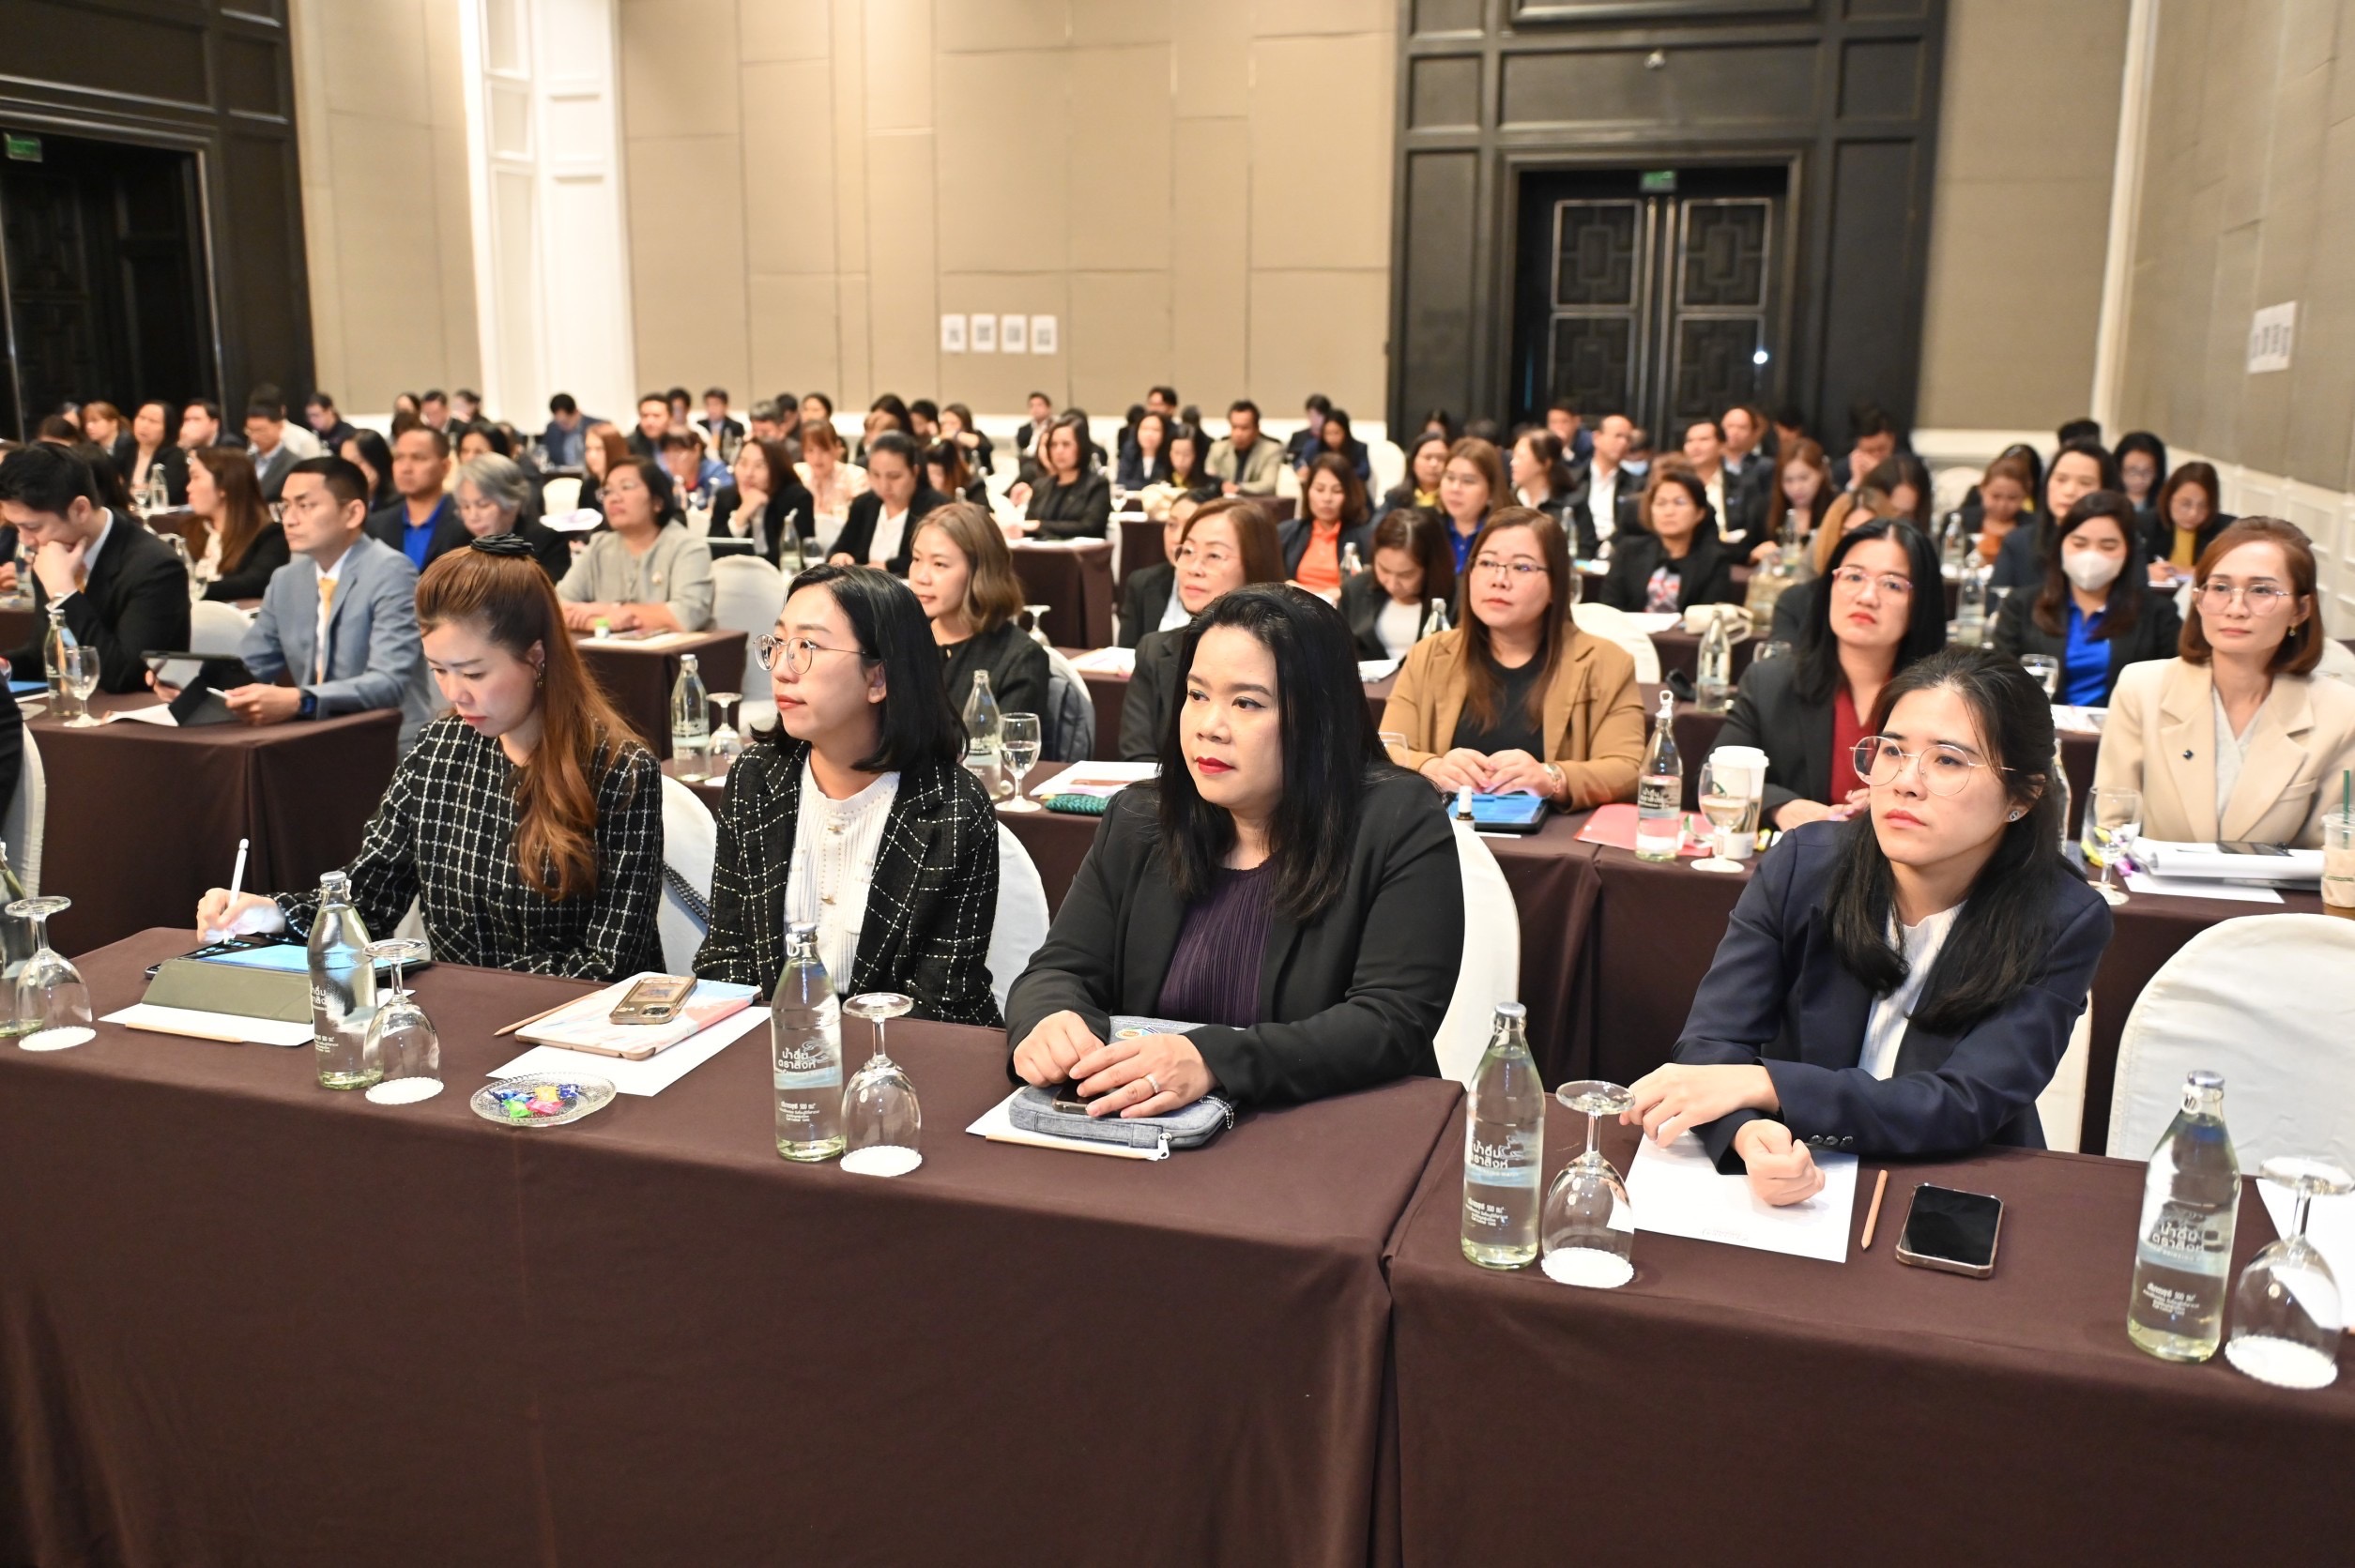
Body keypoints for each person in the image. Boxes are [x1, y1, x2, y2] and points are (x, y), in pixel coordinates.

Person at [1630, 647, 2112, 1202]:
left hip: (1954, 1183)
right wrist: (1747, 1130)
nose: (1906, 782)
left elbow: (1964, 1103)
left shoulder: (2063, 919)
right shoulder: (1803, 865)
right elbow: (1713, 1041)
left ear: (2022, 796)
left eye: (1948, 761)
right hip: (1805, 1166)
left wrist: (1770, 1085)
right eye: (1892, 751)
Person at [1008, 586, 1464, 1111]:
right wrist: (1051, 1018)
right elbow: (1060, 970)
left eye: (1246, 703)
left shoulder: (1397, 820)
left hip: (1333, 1128)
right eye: (1197, 695)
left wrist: (1213, 1061)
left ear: (1319, 717)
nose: (1209, 727)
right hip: (1153, 1129)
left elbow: (1391, 1021)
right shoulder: (1141, 818)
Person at [198, 538, 663, 978]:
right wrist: (270, 913)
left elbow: (610, 962)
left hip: (572, 1020)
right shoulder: (439, 747)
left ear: (536, 657)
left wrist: (469, 988)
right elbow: (372, 898)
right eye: (438, 670)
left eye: (474, 673)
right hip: (460, 1008)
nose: (456, 693)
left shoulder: (619, 769)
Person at [693, 565, 1002, 1020]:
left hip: (902, 1049)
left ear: (878, 678)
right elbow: (727, 956)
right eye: (779, 644)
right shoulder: (757, 778)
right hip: (775, 1043)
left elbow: (942, 1001)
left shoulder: (952, 809)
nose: (781, 670)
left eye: (808, 647)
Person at [2095, 518, 2355, 849]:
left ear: (2300, 610)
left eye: (2261, 590)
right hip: (2152, 881)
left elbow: (2334, 851)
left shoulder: (2342, 712)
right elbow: (2111, 825)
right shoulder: (2142, 687)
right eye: (2220, 588)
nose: (2236, 608)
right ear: (2198, 599)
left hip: (2280, 886)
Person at [1382, 507, 1643, 807]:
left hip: (1552, 833)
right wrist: (1431, 768)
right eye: (1487, 563)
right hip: (1446, 830)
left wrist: (1552, 776)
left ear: (1557, 585)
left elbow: (1628, 769)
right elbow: (1386, 748)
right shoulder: (1430, 654)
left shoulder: (1606, 662)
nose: (1499, 579)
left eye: (1521, 567)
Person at [170, 456, 437, 749]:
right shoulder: (287, 579)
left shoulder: (391, 571)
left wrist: (300, 700)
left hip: (385, 742)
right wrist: (191, 691)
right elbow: (250, 667)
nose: (289, 519)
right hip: (314, 738)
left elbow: (388, 683)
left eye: (305, 505)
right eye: (285, 506)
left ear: (353, 513)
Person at [1721, 520, 1948, 830]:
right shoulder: (1770, 682)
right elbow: (1717, 776)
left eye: (1892, 584)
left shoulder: (1947, 700)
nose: (1867, 596)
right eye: (1854, 576)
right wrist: (1782, 808)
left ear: (1921, 604)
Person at [0, 443, 190, 692]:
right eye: (16, 527)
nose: (25, 541)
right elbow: (46, 654)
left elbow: (125, 675)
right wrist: (6, 666)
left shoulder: (155, 566)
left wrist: (64, 594)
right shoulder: (51, 553)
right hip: (74, 705)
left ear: (80, 510)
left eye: (33, 527)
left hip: (138, 709)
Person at [1120, 499, 1286, 760]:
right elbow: (1137, 757)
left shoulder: (1291, 653)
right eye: (1187, 552)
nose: (1194, 569)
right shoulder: (1154, 650)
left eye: (1214, 556)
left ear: (1255, 563)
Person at [1992, 492, 2179, 708]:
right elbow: (1999, 682)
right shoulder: (2021, 604)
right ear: (2061, 545)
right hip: (2038, 724)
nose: (2092, 556)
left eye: (2108, 546)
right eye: (2079, 543)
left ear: (2128, 551)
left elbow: (2172, 690)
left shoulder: (2159, 614)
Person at [910, 500, 1048, 723]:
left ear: (980, 572)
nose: (921, 577)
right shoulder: (904, 639)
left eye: (939, 564)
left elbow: (1008, 743)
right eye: (916, 559)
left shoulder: (1019, 658)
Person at [558, 456, 715, 632]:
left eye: (626, 487)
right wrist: (599, 623)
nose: (614, 498)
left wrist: (605, 609)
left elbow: (684, 617)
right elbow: (555, 607)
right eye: (607, 491)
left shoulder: (688, 548)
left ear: (657, 501)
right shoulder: (598, 546)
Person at [1595, 467, 1738, 614]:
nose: (1669, 512)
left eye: (1679, 502)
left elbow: (1708, 615)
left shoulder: (1714, 560)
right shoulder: (1628, 551)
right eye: (1661, 503)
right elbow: (1609, 607)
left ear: (1699, 513)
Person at [1992, 440, 2118, 590]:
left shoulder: (2121, 545)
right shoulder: (2018, 543)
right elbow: (1996, 600)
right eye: (2061, 479)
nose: (2069, 491)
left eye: (2085, 483)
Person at [1342, 507, 1455, 662]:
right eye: (1384, 569)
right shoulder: (1355, 589)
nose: (1392, 584)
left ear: (1431, 567)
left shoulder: (1458, 598)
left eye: (1405, 575)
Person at [831, 432, 950, 573]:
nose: (884, 485)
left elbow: (936, 559)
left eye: (894, 476)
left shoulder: (936, 508)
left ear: (915, 472)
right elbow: (839, 548)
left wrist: (888, 567)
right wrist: (839, 557)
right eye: (875, 475)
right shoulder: (863, 504)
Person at [187, 447, 290, 601]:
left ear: (223, 486)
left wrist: (190, 589)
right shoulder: (188, 530)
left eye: (196, 478)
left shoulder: (269, 535)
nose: (188, 488)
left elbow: (254, 582)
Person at [456, 454, 573, 583]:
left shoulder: (547, 543)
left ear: (511, 502)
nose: (473, 516)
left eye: (484, 505)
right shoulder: (458, 541)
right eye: (465, 506)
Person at [367, 425, 466, 571]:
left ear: (445, 467)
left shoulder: (467, 521)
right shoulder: (376, 526)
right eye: (399, 458)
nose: (405, 468)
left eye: (418, 458)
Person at [711, 437, 816, 567]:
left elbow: (789, 556)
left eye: (759, 466)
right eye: (743, 463)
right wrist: (740, 517)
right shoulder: (725, 497)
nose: (748, 473)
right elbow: (712, 554)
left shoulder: (797, 499)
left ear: (777, 469)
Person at [1280, 454, 1374, 595]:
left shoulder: (1366, 537)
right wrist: (1285, 584)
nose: (1327, 498)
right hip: (1294, 604)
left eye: (1337, 491)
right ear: (1308, 491)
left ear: (1349, 494)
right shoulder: (1286, 532)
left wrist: (1343, 593)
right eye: (1319, 489)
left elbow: (1371, 583)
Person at [1019, 415, 1111, 540]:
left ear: (1081, 446)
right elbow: (1028, 527)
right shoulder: (1040, 485)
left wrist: (1040, 526)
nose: (1059, 451)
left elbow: (1091, 527)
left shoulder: (1097, 485)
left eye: (1066, 444)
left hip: (1081, 551)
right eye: (1053, 445)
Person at [1509, 428, 1595, 556]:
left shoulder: (1573, 503)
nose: (1513, 463)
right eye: (1513, 456)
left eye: (1521, 457)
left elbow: (1585, 549)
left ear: (1545, 463)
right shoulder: (1508, 500)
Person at [2143, 461, 2228, 585]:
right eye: (2186, 504)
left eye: (2203, 506)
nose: (2193, 513)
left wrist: (2193, 572)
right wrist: (2145, 572)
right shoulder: (2145, 523)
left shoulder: (2225, 530)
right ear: (2169, 498)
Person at [794, 419, 867, 552]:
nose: (817, 458)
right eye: (810, 450)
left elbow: (860, 521)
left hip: (845, 549)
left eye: (824, 450)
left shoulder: (855, 475)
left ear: (837, 447)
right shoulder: (796, 475)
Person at [1118, 512, 1188, 647]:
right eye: (1172, 525)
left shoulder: (1226, 595)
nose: (1177, 538)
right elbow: (1126, 652)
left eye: (1189, 527)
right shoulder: (1142, 582)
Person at [1436, 436, 1506, 572]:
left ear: (1491, 490)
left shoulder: (1506, 537)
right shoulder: (1430, 528)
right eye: (1450, 477)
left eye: (1468, 481)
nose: (1455, 488)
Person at [1764, 436, 1832, 549]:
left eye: (1804, 478)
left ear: (1821, 473)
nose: (1796, 488)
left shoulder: (1835, 506)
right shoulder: (1765, 507)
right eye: (1788, 480)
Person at [1584, 413, 1642, 545]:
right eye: (1618, 436)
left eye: (1628, 439)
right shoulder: (1574, 478)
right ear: (1597, 438)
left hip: (1616, 548)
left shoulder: (1637, 485)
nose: (1623, 443)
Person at [1970, 452, 2034, 568]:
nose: (2002, 505)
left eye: (2012, 498)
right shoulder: (1960, 521)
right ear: (1982, 489)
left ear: (2025, 496)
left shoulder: (2035, 527)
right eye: (1996, 496)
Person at [1207, 401, 1281, 496]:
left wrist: (1238, 488)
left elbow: (1268, 485)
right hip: (1222, 501)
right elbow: (1208, 478)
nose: (1238, 434)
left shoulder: (1271, 450)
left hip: (1256, 502)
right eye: (1234, 427)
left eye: (1244, 428)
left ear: (1257, 429)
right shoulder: (1218, 448)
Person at [125, 400, 189, 507]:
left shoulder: (175, 456)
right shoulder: (126, 450)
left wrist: (132, 492)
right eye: (141, 418)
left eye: (153, 421)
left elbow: (167, 494)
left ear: (167, 428)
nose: (144, 425)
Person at [1377, 432, 1448, 522]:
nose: (1433, 464)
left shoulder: (1454, 500)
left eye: (1441, 458)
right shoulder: (1395, 498)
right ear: (1413, 462)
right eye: (1427, 457)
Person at [242, 399, 298, 503]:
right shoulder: (247, 460)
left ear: (279, 426)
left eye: (260, 431)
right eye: (250, 431)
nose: (254, 437)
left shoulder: (293, 463)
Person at [659, 428, 728, 511]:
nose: (672, 461)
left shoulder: (716, 472)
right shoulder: (664, 478)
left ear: (696, 450)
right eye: (667, 454)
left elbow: (723, 505)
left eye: (678, 453)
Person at [1307, 408, 1372, 484]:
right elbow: (1302, 462)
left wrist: (1337, 474)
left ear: (1345, 432)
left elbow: (1364, 472)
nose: (1332, 438)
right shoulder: (1316, 446)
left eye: (1336, 433)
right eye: (1328, 433)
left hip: (1351, 487)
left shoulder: (1359, 447)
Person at [338, 429, 398, 511]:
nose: (348, 471)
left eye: (357, 462)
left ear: (376, 460)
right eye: (345, 464)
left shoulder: (397, 500)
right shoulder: (347, 497)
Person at [2115, 431, 2167, 519]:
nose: (2139, 479)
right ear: (2119, 468)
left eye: (2147, 472)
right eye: (2132, 471)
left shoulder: (2164, 507)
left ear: (2157, 473)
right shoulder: (2104, 499)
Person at [1117, 410, 1173, 490]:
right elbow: (1121, 482)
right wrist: (1152, 487)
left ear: (1164, 433)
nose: (1149, 434)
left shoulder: (1170, 455)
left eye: (1155, 430)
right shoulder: (1129, 451)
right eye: (1144, 429)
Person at [924, 440, 987, 508]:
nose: (931, 479)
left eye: (937, 474)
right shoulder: (929, 497)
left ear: (953, 474)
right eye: (928, 473)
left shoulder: (976, 490)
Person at [541, 393, 592, 468]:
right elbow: (545, 453)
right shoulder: (552, 428)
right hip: (563, 473)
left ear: (577, 412)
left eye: (565, 422)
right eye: (558, 422)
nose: (562, 426)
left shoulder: (596, 426)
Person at [696, 388, 743, 454]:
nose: (711, 409)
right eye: (708, 404)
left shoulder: (736, 427)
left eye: (716, 404)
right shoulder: (699, 425)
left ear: (725, 406)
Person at [627, 391, 669, 459]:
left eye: (656, 416)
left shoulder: (681, 444)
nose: (649, 422)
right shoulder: (628, 446)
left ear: (670, 418)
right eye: (644, 416)